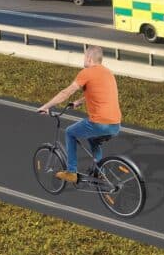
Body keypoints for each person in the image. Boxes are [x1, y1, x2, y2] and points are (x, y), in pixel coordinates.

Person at [37, 45, 122, 183]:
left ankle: (71, 172)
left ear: (89, 58)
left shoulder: (86, 72)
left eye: (84, 56)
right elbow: (100, 93)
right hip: (115, 125)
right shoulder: (108, 73)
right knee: (93, 139)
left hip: (99, 123)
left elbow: (66, 92)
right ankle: (100, 171)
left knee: (70, 132)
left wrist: (46, 106)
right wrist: (79, 101)